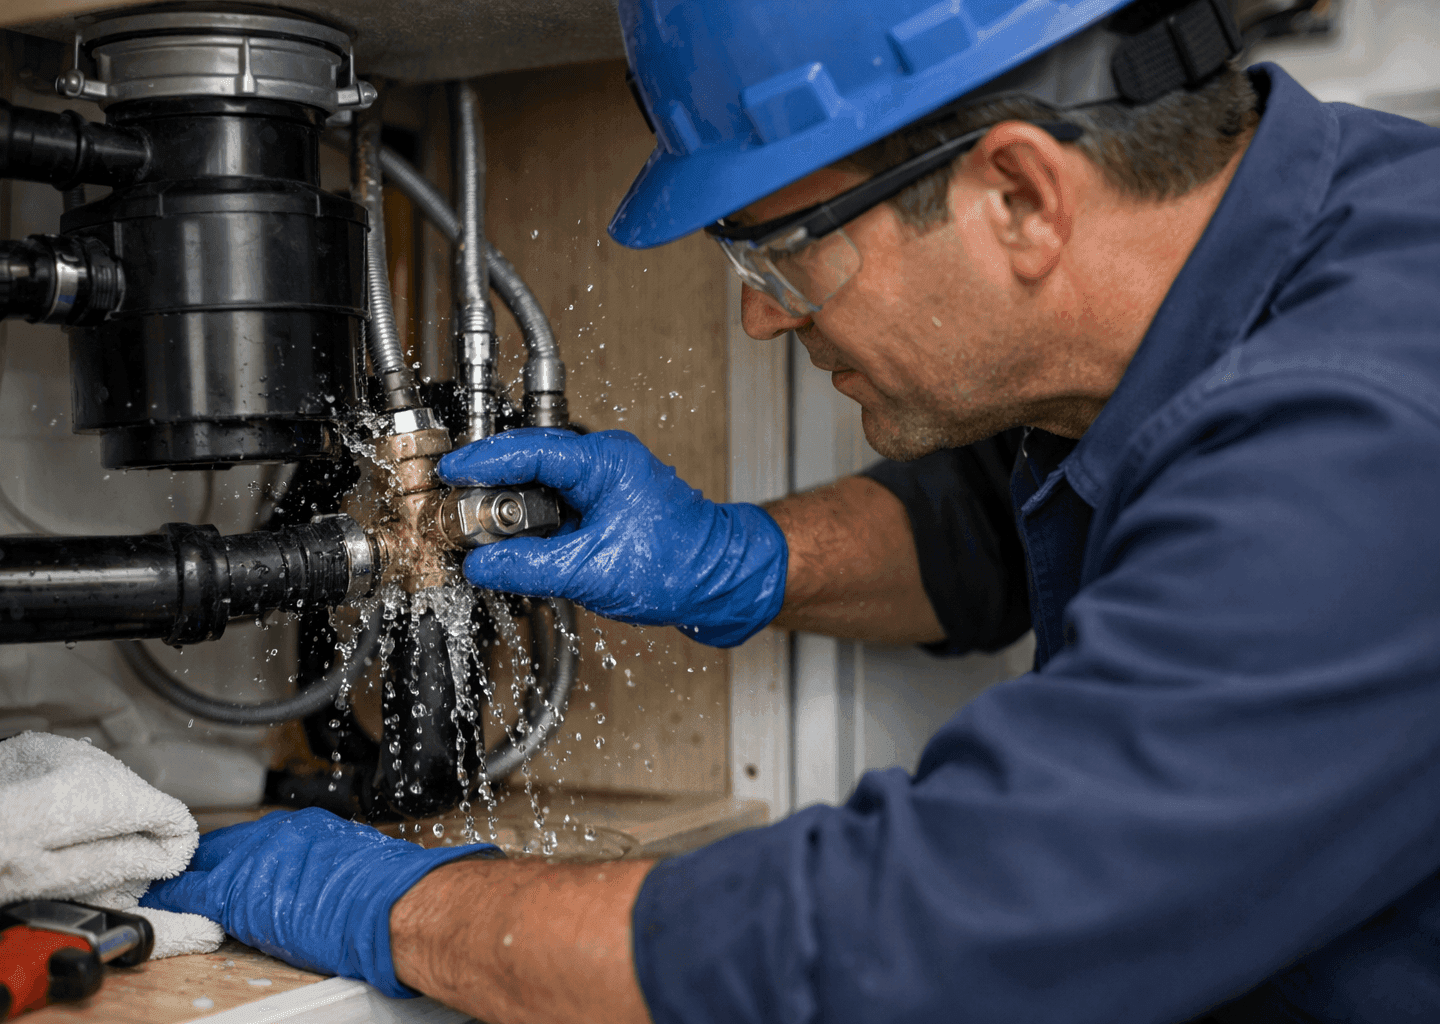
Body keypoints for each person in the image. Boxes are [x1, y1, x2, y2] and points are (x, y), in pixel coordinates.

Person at [142, 0, 1440, 1021]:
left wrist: (413, 913)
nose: (764, 314)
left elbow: (925, 944)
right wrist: (742, 556)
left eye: (780, 251)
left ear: (1020, 197)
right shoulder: (1298, 253)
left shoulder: (1370, 430)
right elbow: (1012, 526)